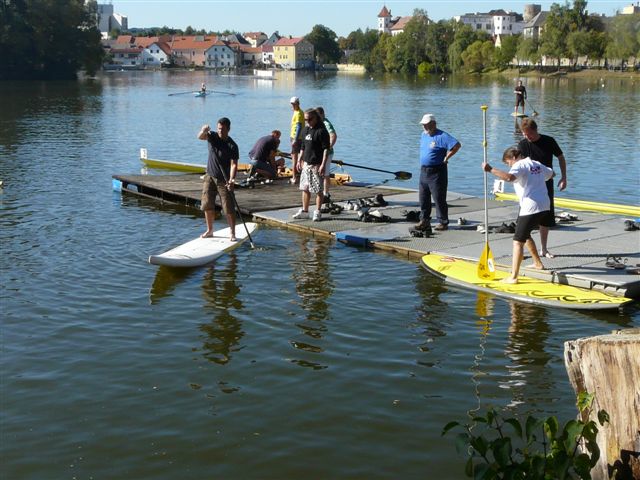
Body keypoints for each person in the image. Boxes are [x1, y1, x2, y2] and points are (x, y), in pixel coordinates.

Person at [482, 146, 554, 284]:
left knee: (517, 242)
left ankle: (513, 277)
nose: (509, 166)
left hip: (530, 206)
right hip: (545, 205)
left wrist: (490, 169)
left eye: (508, 162)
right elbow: (552, 174)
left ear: (514, 157)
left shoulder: (519, 165)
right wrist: (535, 178)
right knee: (525, 235)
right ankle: (538, 263)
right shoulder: (536, 164)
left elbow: (509, 178)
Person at [518, 118, 567, 258]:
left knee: (546, 216)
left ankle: (544, 249)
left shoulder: (548, 141)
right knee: (524, 218)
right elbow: (518, 165)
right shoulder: (522, 144)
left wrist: (564, 177)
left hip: (546, 183)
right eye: (524, 134)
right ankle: (521, 250)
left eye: (529, 134)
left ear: (536, 130)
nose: (527, 137)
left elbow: (560, 157)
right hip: (529, 186)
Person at [416, 113, 461, 232]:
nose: (424, 127)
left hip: (437, 171)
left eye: (426, 124)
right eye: (423, 125)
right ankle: (424, 220)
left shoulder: (442, 136)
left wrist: (447, 157)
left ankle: (443, 222)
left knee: (438, 198)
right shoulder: (423, 135)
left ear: (433, 124)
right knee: (423, 197)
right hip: (424, 171)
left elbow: (457, 145)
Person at [197, 117, 239, 241]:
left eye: (223, 129)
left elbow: (234, 164)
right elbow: (200, 137)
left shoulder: (232, 145)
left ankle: (232, 233)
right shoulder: (212, 136)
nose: (220, 131)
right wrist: (203, 130)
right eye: (219, 128)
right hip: (209, 176)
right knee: (207, 204)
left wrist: (231, 179)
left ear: (228, 129)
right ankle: (210, 230)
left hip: (224, 180)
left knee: (228, 207)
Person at [292, 108, 330, 222]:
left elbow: (326, 149)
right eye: (306, 120)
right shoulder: (305, 130)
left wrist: (323, 164)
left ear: (316, 118)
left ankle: (317, 211)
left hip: (317, 164)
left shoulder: (321, 131)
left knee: (318, 190)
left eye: (310, 119)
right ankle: (305, 211)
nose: (308, 122)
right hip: (306, 163)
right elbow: (303, 147)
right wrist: (299, 160)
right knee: (305, 188)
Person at [315, 106, 337, 200]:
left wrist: (328, 147)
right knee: (320, 173)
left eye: (318, 115)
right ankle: (320, 192)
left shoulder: (326, 123)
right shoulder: (318, 123)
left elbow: (333, 136)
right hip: (319, 152)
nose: (316, 117)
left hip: (327, 152)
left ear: (322, 114)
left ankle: (326, 194)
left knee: (325, 174)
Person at [289, 96, 304, 184]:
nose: (292, 105)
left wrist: (295, 139)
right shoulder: (297, 112)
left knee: (294, 158)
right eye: (291, 104)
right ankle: (301, 176)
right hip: (296, 137)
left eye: (294, 104)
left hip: (296, 138)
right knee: (300, 158)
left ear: (298, 103)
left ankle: (294, 178)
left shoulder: (298, 113)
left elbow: (299, 126)